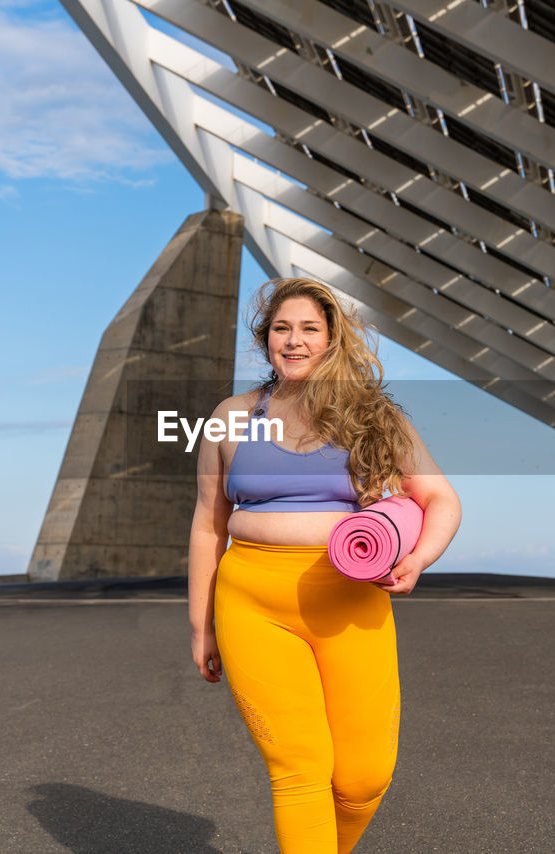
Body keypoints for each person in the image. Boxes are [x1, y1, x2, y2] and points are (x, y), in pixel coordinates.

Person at [186, 277, 461, 852]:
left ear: (332, 338)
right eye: (282, 328)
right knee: (300, 767)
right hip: (252, 603)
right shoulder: (231, 417)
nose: (294, 340)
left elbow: (441, 499)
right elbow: (208, 524)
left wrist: (418, 559)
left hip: (349, 600)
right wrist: (200, 624)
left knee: (364, 778)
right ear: (265, 341)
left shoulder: (373, 416)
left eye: (309, 328)